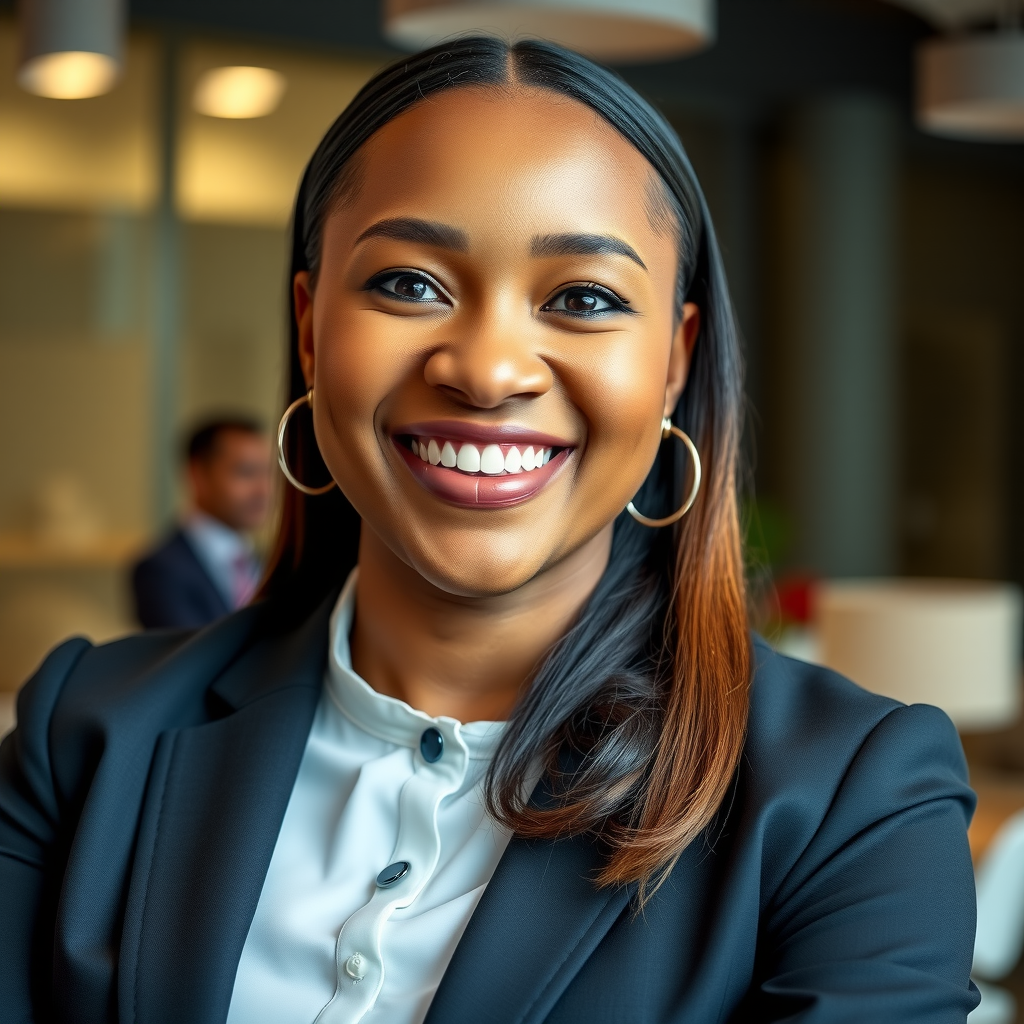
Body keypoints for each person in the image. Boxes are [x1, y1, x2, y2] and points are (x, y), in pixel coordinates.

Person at [0, 37, 978, 1024]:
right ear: (308, 328)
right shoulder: (84, 734)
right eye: (408, 284)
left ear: (673, 361)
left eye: (584, 298)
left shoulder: (857, 802)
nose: (487, 369)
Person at [131, 417, 272, 629]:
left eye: (269, 473)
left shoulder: (269, 560)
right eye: (246, 472)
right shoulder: (160, 571)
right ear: (198, 475)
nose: (264, 490)